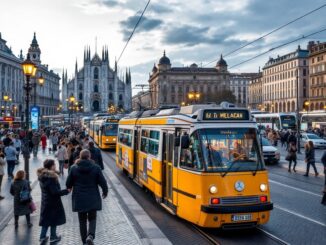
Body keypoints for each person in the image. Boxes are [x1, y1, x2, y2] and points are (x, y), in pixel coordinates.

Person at [66, 149, 108, 245]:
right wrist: (105, 192)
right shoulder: (96, 168)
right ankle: (91, 235)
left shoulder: (73, 168)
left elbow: (68, 183)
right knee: (92, 218)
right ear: (89, 157)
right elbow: (103, 182)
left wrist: (69, 187)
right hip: (93, 197)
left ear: (80, 156)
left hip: (79, 198)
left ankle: (84, 241)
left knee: (82, 221)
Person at [37, 159, 70, 244]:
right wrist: (67, 191)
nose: (55, 166)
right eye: (54, 164)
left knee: (46, 220)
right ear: (51, 166)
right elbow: (55, 192)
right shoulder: (51, 178)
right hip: (53, 203)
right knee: (53, 220)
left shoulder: (42, 176)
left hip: (45, 201)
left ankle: (42, 237)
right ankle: (53, 236)